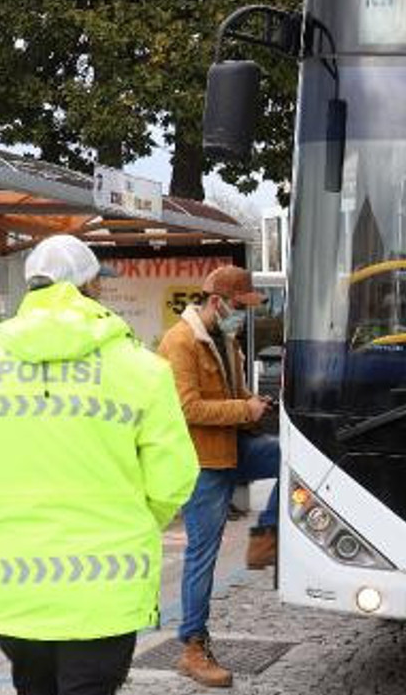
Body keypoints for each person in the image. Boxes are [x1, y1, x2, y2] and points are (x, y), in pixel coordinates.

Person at [0, 234, 198, 695]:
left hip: (16, 594)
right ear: (92, 288)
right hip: (106, 593)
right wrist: (132, 519)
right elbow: (174, 477)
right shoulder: (141, 370)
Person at [157, 265, 278, 688]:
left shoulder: (227, 340)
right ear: (216, 302)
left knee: (292, 458)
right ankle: (193, 645)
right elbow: (186, 409)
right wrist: (243, 410)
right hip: (202, 462)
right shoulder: (180, 341)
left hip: (233, 447)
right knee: (201, 556)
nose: (243, 315)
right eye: (239, 307)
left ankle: (266, 536)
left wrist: (252, 401)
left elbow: (233, 395)